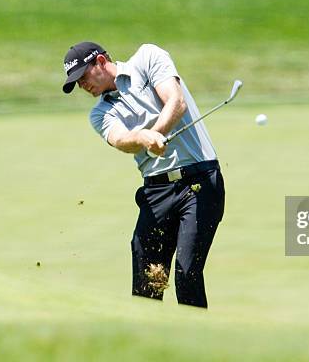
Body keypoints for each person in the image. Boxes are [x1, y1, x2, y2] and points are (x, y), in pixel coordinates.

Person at [61, 41, 225, 308]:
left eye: (83, 77)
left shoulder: (148, 58)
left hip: (200, 182)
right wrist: (142, 137)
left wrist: (157, 132)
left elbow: (176, 101)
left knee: (187, 273)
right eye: (76, 83)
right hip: (156, 192)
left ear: (101, 61)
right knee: (147, 280)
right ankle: (149, 342)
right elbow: (121, 140)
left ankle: (197, 342)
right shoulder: (100, 113)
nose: (82, 86)